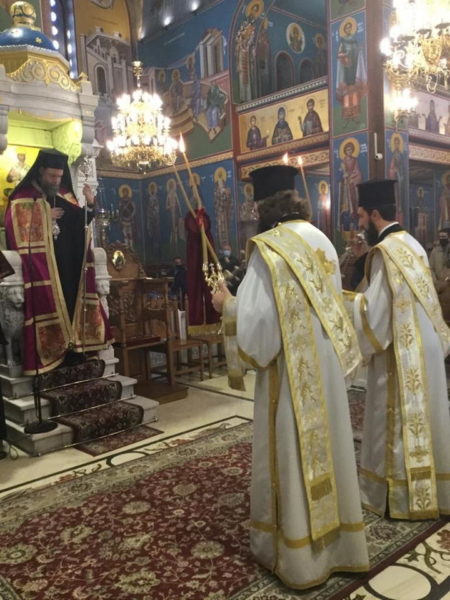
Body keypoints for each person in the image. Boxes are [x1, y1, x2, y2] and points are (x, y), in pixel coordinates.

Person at [212, 165, 368, 589]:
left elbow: (259, 330)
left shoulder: (268, 249)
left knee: (292, 454)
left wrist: (227, 305)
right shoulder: (323, 240)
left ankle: (300, 557)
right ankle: (340, 547)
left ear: (262, 207)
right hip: (326, 369)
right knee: (331, 449)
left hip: (289, 375)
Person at [350, 179, 450, 519]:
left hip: (401, 355)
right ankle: (431, 489)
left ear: (375, 214)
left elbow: (375, 319)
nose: (359, 223)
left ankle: (398, 497)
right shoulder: (414, 244)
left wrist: (345, 305)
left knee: (393, 423)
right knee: (427, 422)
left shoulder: (385, 252)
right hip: (426, 348)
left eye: (361, 216)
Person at [5, 148, 112, 375]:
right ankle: (52, 355)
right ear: (41, 171)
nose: (56, 181)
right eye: (52, 176)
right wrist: (44, 213)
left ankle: (74, 350)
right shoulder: (22, 195)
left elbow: (80, 221)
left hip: (68, 268)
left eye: (59, 176)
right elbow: (15, 225)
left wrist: (90, 205)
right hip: (43, 270)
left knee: (73, 308)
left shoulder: (64, 194)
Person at [429, 228, 450, 324]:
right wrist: (435, 282)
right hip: (438, 287)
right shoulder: (435, 251)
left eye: (444, 236)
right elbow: (430, 268)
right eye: (440, 237)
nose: (442, 238)